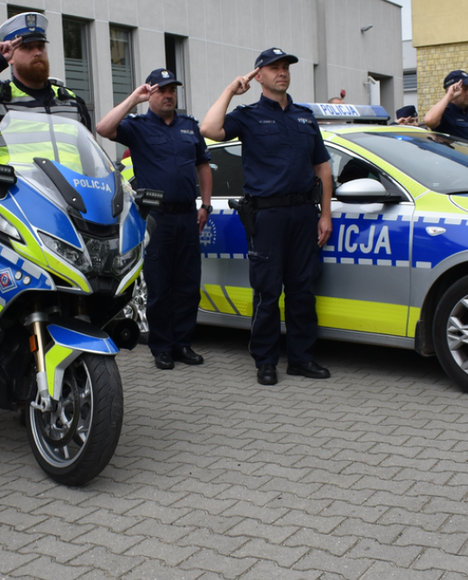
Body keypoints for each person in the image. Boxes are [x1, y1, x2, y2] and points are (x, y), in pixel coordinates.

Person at [200, 47, 333, 386]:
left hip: (304, 213)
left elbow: (321, 167)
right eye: (274, 68)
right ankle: (266, 361)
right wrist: (231, 90)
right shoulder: (248, 116)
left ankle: (301, 359)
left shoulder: (304, 116)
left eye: (286, 67)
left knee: (302, 290)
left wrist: (325, 215)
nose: (282, 72)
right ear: (258, 75)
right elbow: (210, 128)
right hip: (267, 216)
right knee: (268, 292)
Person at [97, 69, 212, 370]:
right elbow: (103, 128)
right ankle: (162, 347)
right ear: (151, 94)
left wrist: (207, 205)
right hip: (156, 218)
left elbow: (203, 166)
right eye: (162, 90)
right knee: (160, 286)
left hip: (188, 215)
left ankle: (183, 344)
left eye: (173, 89)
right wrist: (134, 98)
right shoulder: (137, 127)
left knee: (188, 284)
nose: (169, 94)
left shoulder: (190, 127)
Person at [0, 11, 93, 157]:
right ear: (10, 57)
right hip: (14, 182)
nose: (37, 52)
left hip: (69, 183)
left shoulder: (71, 102)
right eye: (27, 47)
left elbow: (90, 155)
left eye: (40, 46)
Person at [423, 70, 468, 145]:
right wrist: (449, 96)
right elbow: (429, 120)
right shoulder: (446, 114)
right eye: (465, 89)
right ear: (454, 90)